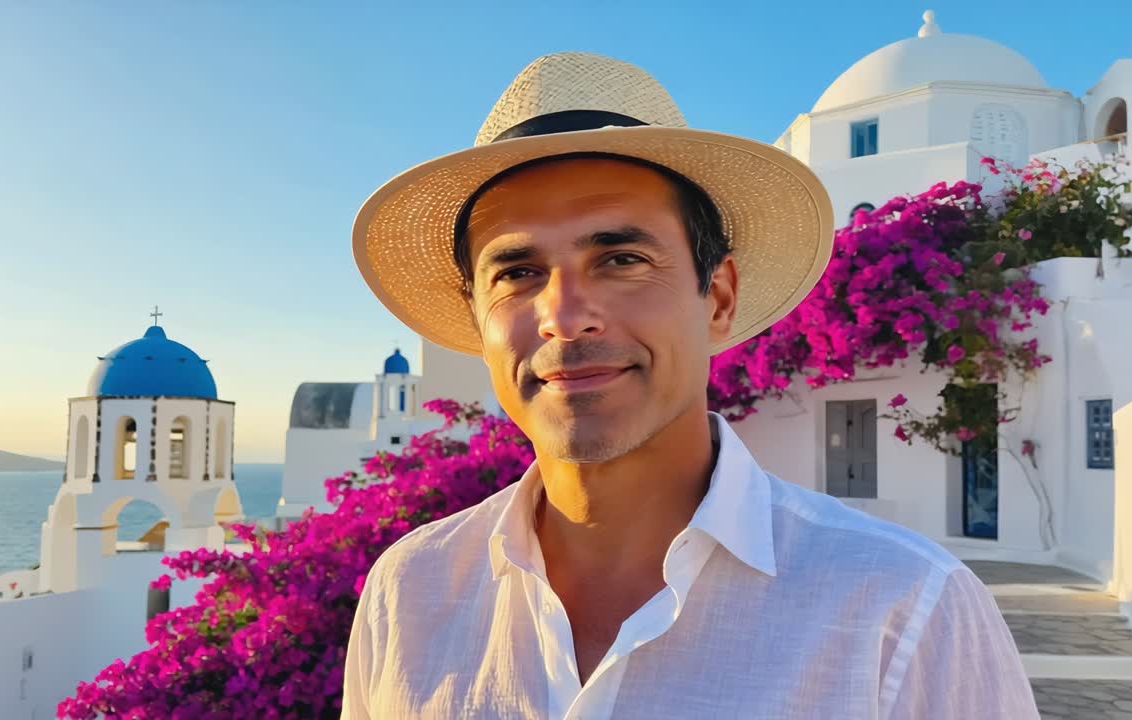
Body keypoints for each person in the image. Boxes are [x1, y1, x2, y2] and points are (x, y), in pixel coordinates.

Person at [341, 52, 1038, 719]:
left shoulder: (903, 612)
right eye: (517, 274)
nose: (563, 317)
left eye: (620, 258)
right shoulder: (408, 594)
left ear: (719, 297)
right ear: (478, 320)